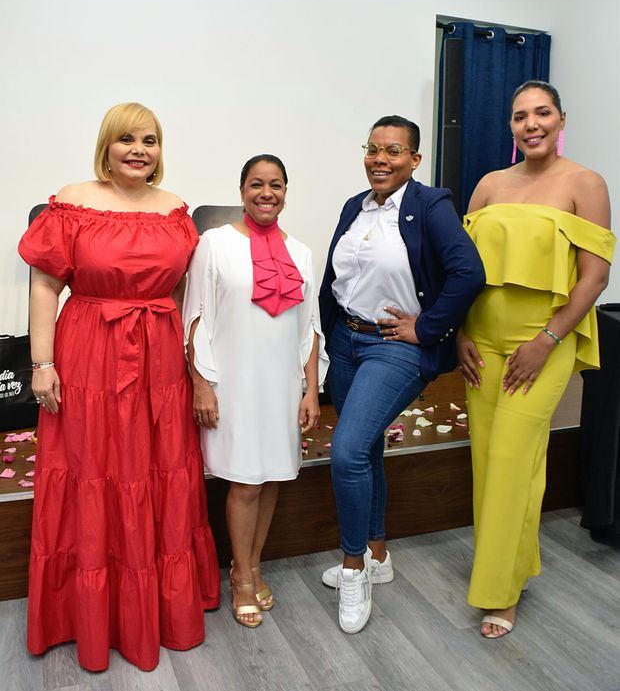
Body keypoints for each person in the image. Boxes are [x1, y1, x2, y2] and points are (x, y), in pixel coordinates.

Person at [18, 103, 220, 672]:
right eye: (126, 139)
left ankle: (156, 609)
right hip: (87, 351)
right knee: (91, 468)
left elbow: (182, 294)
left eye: (150, 140)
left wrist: (187, 360)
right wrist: (42, 362)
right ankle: (84, 615)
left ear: (161, 149)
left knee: (158, 469)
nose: (139, 150)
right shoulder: (72, 201)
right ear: (106, 146)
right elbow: (43, 286)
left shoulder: (175, 208)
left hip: (157, 356)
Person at [457, 80, 616, 638]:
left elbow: (594, 276)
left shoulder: (585, 183)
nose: (532, 124)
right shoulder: (489, 185)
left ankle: (500, 593)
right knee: (493, 463)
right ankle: (514, 565)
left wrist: (546, 339)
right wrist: (459, 334)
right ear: (511, 125)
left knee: (511, 458)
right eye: (520, 115)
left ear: (560, 118)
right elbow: (463, 272)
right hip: (482, 341)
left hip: (543, 342)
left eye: (542, 113)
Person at [319, 115, 485, 633]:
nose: (380, 159)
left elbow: (469, 273)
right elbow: (337, 277)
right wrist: (327, 334)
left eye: (394, 151)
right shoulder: (355, 206)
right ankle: (379, 557)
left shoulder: (429, 205)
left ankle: (353, 571)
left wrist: (429, 327)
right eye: (373, 149)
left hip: (394, 347)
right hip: (347, 340)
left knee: (346, 451)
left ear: (415, 160)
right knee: (366, 449)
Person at [183, 154, 328, 628]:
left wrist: (310, 391)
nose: (267, 193)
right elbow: (195, 318)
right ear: (241, 189)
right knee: (245, 481)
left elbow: (309, 328)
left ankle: (251, 565)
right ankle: (242, 578)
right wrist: (202, 385)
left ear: (287, 191)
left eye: (276, 185)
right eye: (256, 184)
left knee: (270, 481)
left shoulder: (302, 252)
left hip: (281, 386)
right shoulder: (214, 243)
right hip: (235, 385)